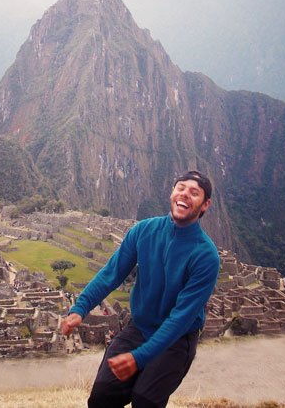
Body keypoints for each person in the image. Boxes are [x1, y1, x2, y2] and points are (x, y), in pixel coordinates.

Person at [61, 170, 220, 408]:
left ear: (205, 204)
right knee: (102, 396)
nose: (184, 195)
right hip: (140, 326)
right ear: (172, 192)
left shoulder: (206, 256)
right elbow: (111, 273)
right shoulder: (144, 231)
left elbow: (180, 318)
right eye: (180, 188)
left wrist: (140, 358)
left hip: (177, 339)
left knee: (145, 400)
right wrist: (80, 308)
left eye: (194, 193)